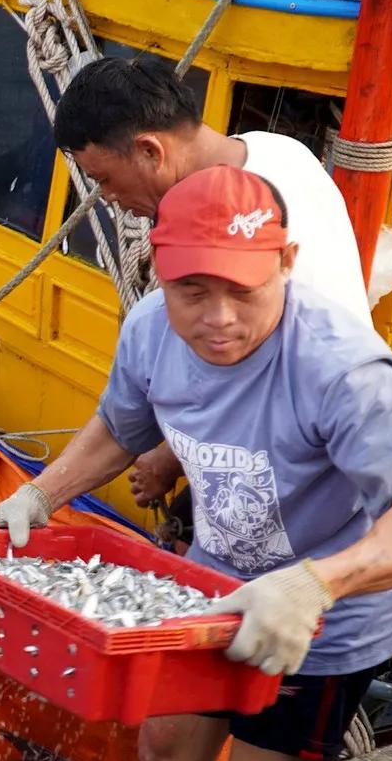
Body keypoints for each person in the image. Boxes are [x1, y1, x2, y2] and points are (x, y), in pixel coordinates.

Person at [0, 166, 392, 761]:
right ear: (158, 271)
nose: (219, 319)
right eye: (192, 292)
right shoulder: (151, 330)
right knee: (166, 758)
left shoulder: (341, 370)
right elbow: (121, 428)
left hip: (319, 625)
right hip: (209, 591)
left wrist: (313, 585)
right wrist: (40, 496)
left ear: (287, 262)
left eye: (243, 290)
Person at [52, 56, 370, 510]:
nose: (108, 198)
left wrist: (166, 457)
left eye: (104, 178)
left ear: (150, 151)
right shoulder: (279, 150)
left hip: (305, 485)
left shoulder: (239, 225)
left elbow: (259, 386)